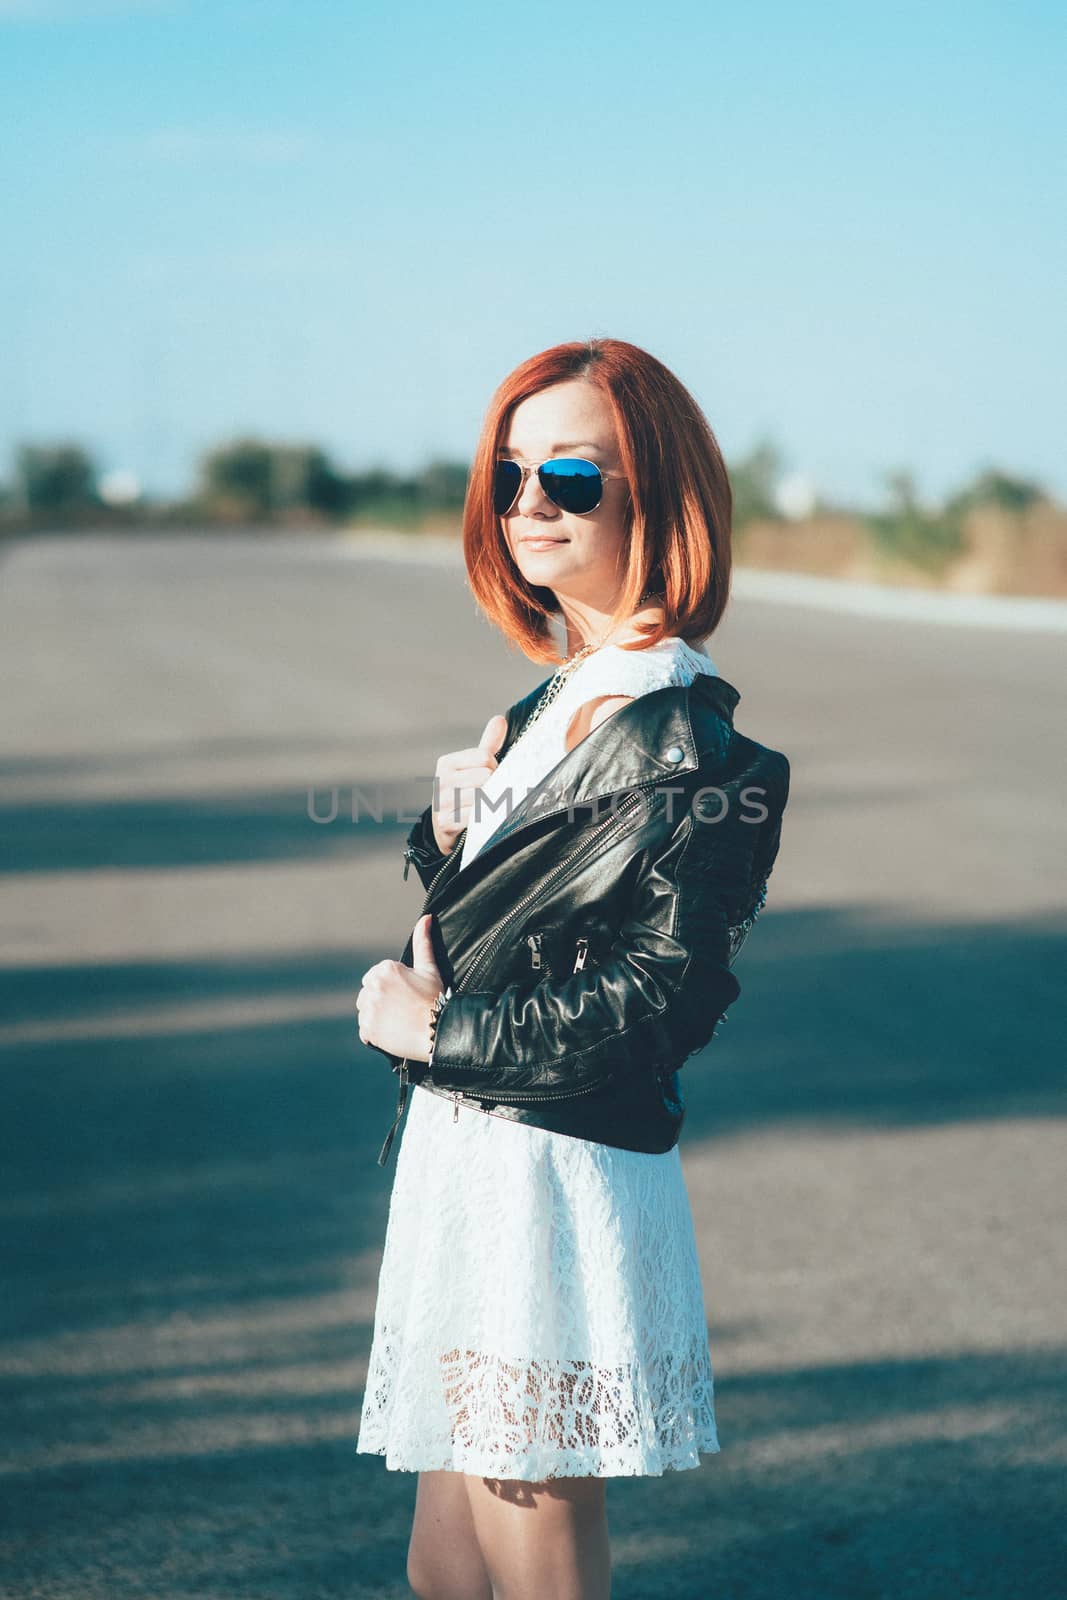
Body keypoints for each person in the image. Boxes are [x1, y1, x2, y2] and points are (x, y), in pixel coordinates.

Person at [354, 337, 790, 1600]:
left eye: (570, 476)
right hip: (472, 1153)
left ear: (657, 495)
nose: (529, 503)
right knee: (445, 1560)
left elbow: (664, 998)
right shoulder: (555, 703)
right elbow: (532, 915)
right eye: (508, 475)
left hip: (552, 1165)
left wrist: (437, 1037)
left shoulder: (692, 742)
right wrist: (445, 835)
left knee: (530, 1535)